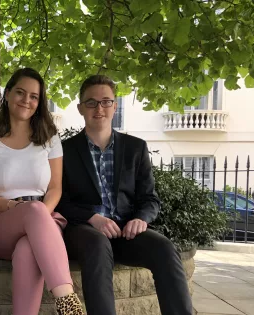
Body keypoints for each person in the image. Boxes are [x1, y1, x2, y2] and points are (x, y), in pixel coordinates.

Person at [57, 74, 194, 315]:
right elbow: (60, 200)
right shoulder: (64, 150)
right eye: (91, 102)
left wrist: (141, 219)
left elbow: (150, 198)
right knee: (97, 244)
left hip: (126, 231)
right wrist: (93, 218)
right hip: (84, 232)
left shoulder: (135, 148)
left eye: (106, 101)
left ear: (114, 106)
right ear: (80, 108)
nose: (99, 108)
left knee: (164, 248)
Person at [0, 68, 85, 315]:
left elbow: (55, 188)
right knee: (33, 212)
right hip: (0, 220)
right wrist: (19, 209)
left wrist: (39, 215)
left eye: (34, 96)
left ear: (39, 103)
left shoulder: (49, 138)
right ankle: (67, 300)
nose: (27, 100)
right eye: (20, 92)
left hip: (43, 217)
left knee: (28, 248)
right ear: (7, 95)